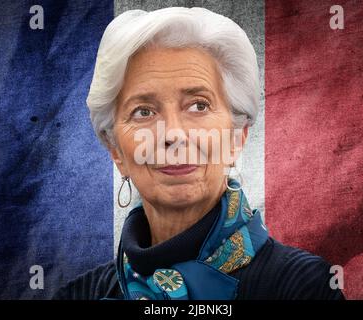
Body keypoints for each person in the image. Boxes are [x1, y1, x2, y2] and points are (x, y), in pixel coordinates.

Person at [53, 7, 344, 300]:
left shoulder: (304, 288)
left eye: (198, 106)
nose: (173, 135)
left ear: (236, 138)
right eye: (144, 112)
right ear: (116, 151)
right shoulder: (79, 295)